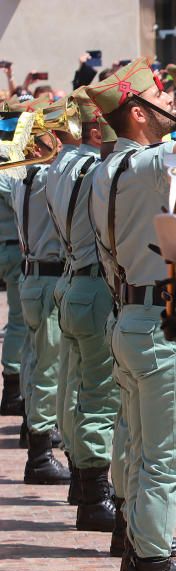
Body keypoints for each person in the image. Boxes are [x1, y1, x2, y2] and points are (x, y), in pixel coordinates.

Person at [87, 56, 176, 571]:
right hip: (157, 322)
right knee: (163, 460)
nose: (172, 108)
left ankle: (140, 555)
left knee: (137, 448)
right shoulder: (150, 162)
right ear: (137, 111)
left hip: (129, 316)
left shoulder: (103, 167)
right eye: (162, 100)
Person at [45, 89, 119, 531]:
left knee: (73, 385)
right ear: (95, 128)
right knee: (98, 393)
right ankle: (94, 493)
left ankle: (80, 476)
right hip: (93, 284)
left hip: (71, 278)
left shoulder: (61, 163)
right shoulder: (97, 169)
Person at [8, 95, 70, 485]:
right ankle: (41, 454)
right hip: (48, 278)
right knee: (48, 367)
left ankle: (37, 432)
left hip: (31, 276)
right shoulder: (50, 178)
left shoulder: (21, 177)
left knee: (35, 361)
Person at [0, 98, 28, 419]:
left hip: (11, 244)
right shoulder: (6, 155)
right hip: (10, 247)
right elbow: (16, 196)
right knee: (21, 322)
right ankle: (12, 387)